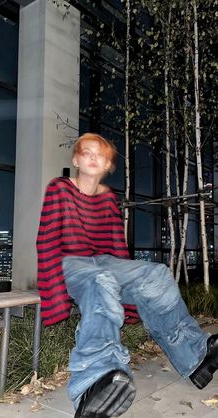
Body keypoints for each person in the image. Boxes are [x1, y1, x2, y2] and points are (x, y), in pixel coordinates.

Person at [37, 132, 218, 418]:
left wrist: (132, 299)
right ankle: (94, 381)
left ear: (108, 164)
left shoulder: (108, 199)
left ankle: (195, 355)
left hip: (106, 262)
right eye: (87, 152)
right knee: (101, 281)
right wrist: (53, 295)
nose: (94, 157)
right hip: (70, 262)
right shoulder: (59, 189)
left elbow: (118, 250)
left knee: (156, 275)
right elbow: (46, 239)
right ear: (76, 159)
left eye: (101, 153)